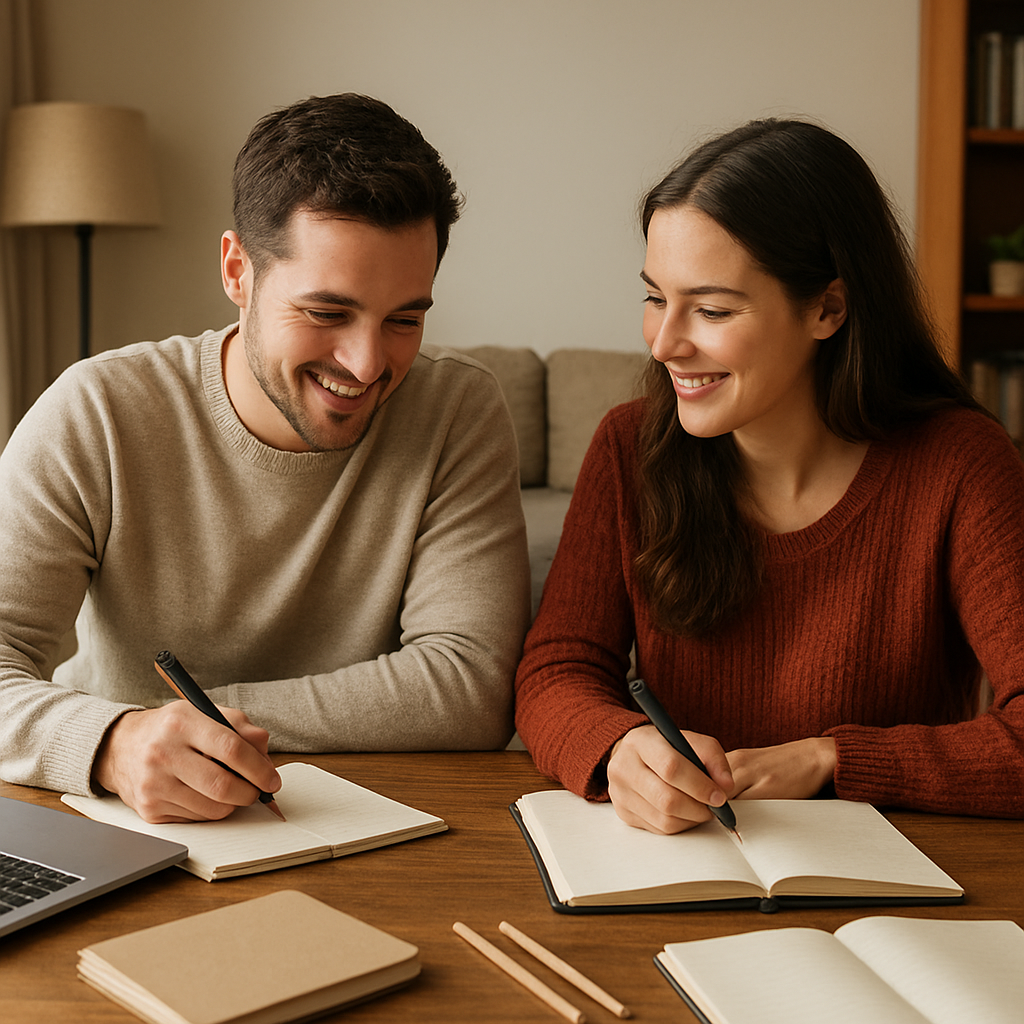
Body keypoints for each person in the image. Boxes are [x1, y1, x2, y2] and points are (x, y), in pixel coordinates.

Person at [0, 93, 530, 823]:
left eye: (405, 320)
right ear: (237, 271)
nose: (368, 363)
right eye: (326, 313)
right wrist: (115, 741)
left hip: (372, 821)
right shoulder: (97, 411)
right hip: (127, 812)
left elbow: (470, 689)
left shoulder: (457, 413)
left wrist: (193, 723)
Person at [514, 118, 1024, 834]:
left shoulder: (961, 462)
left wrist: (828, 761)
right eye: (656, 297)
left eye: (714, 309)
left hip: (898, 884)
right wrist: (619, 747)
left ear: (827, 308)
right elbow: (555, 670)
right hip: (682, 868)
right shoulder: (628, 447)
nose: (665, 343)